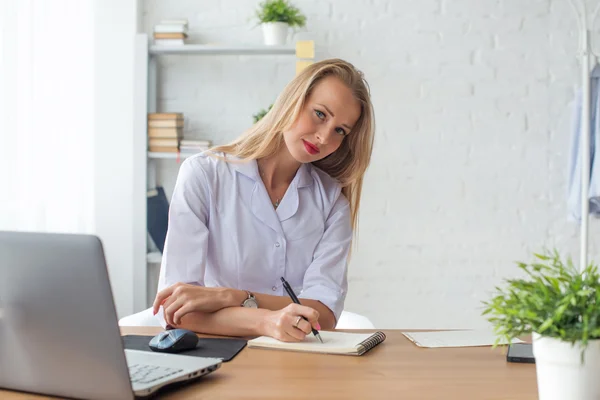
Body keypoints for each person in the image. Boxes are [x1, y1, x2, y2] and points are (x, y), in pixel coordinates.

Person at [152, 58, 375, 342]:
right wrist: (267, 321)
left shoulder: (332, 201)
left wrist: (231, 297)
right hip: (216, 358)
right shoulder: (205, 174)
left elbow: (324, 314)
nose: (323, 137)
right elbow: (177, 310)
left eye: (340, 131)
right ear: (293, 101)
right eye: (320, 114)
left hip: (299, 359)